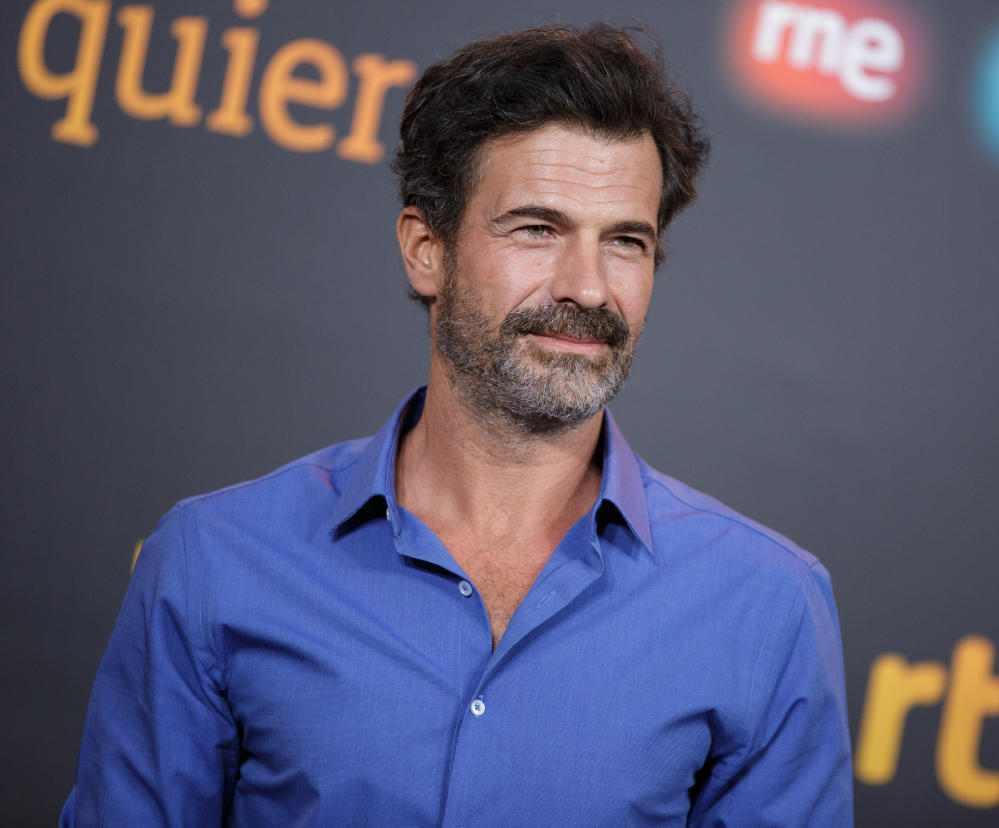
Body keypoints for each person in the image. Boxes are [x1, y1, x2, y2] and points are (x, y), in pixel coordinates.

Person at [61, 24, 852, 826]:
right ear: (425, 249)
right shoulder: (213, 562)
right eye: (537, 229)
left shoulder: (766, 605)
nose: (587, 286)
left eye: (625, 241)